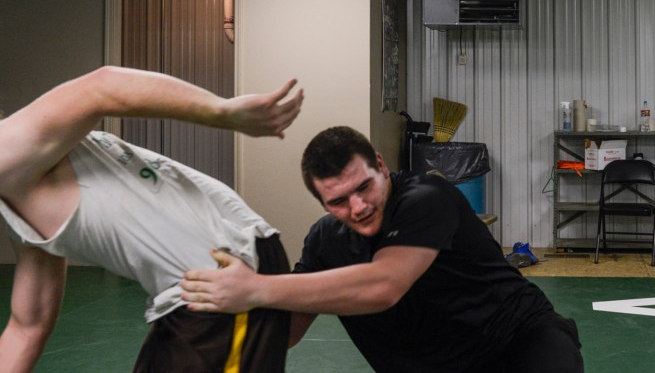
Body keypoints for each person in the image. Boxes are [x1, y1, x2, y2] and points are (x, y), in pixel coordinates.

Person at [182, 126, 584, 373]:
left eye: (363, 187)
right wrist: (218, 325)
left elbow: (383, 286)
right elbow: (287, 332)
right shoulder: (325, 241)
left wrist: (254, 288)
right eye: (338, 201)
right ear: (322, 204)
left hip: (518, 346)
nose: (357, 207)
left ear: (380, 164)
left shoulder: (426, 197)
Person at [0, 66, 304, 373]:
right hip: (195, 293)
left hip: (223, 279)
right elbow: (27, 327)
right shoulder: (18, 207)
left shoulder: (6, 151)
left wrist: (222, 111)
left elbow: (102, 86)